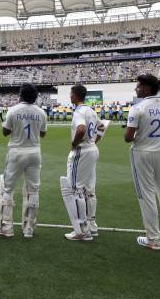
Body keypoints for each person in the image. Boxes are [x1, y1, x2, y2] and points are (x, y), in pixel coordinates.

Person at [124, 75, 160, 250]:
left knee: (146, 194)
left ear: (147, 89)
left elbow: (128, 137)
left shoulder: (138, 108)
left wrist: (142, 134)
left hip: (142, 153)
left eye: (139, 86)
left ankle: (153, 238)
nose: (136, 89)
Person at [0, 83, 47, 238]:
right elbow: (43, 134)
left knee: (7, 188)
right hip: (34, 151)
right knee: (33, 189)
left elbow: (5, 132)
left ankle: (7, 227)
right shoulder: (41, 112)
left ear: (21, 95)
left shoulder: (13, 110)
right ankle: (29, 228)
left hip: (17, 151)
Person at [61, 84, 103, 241]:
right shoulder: (91, 110)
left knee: (75, 189)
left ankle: (82, 230)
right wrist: (94, 140)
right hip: (92, 149)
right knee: (89, 190)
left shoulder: (79, 111)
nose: (70, 96)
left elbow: (80, 129)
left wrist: (74, 144)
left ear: (75, 95)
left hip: (82, 151)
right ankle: (92, 226)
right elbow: (102, 126)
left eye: (71, 94)